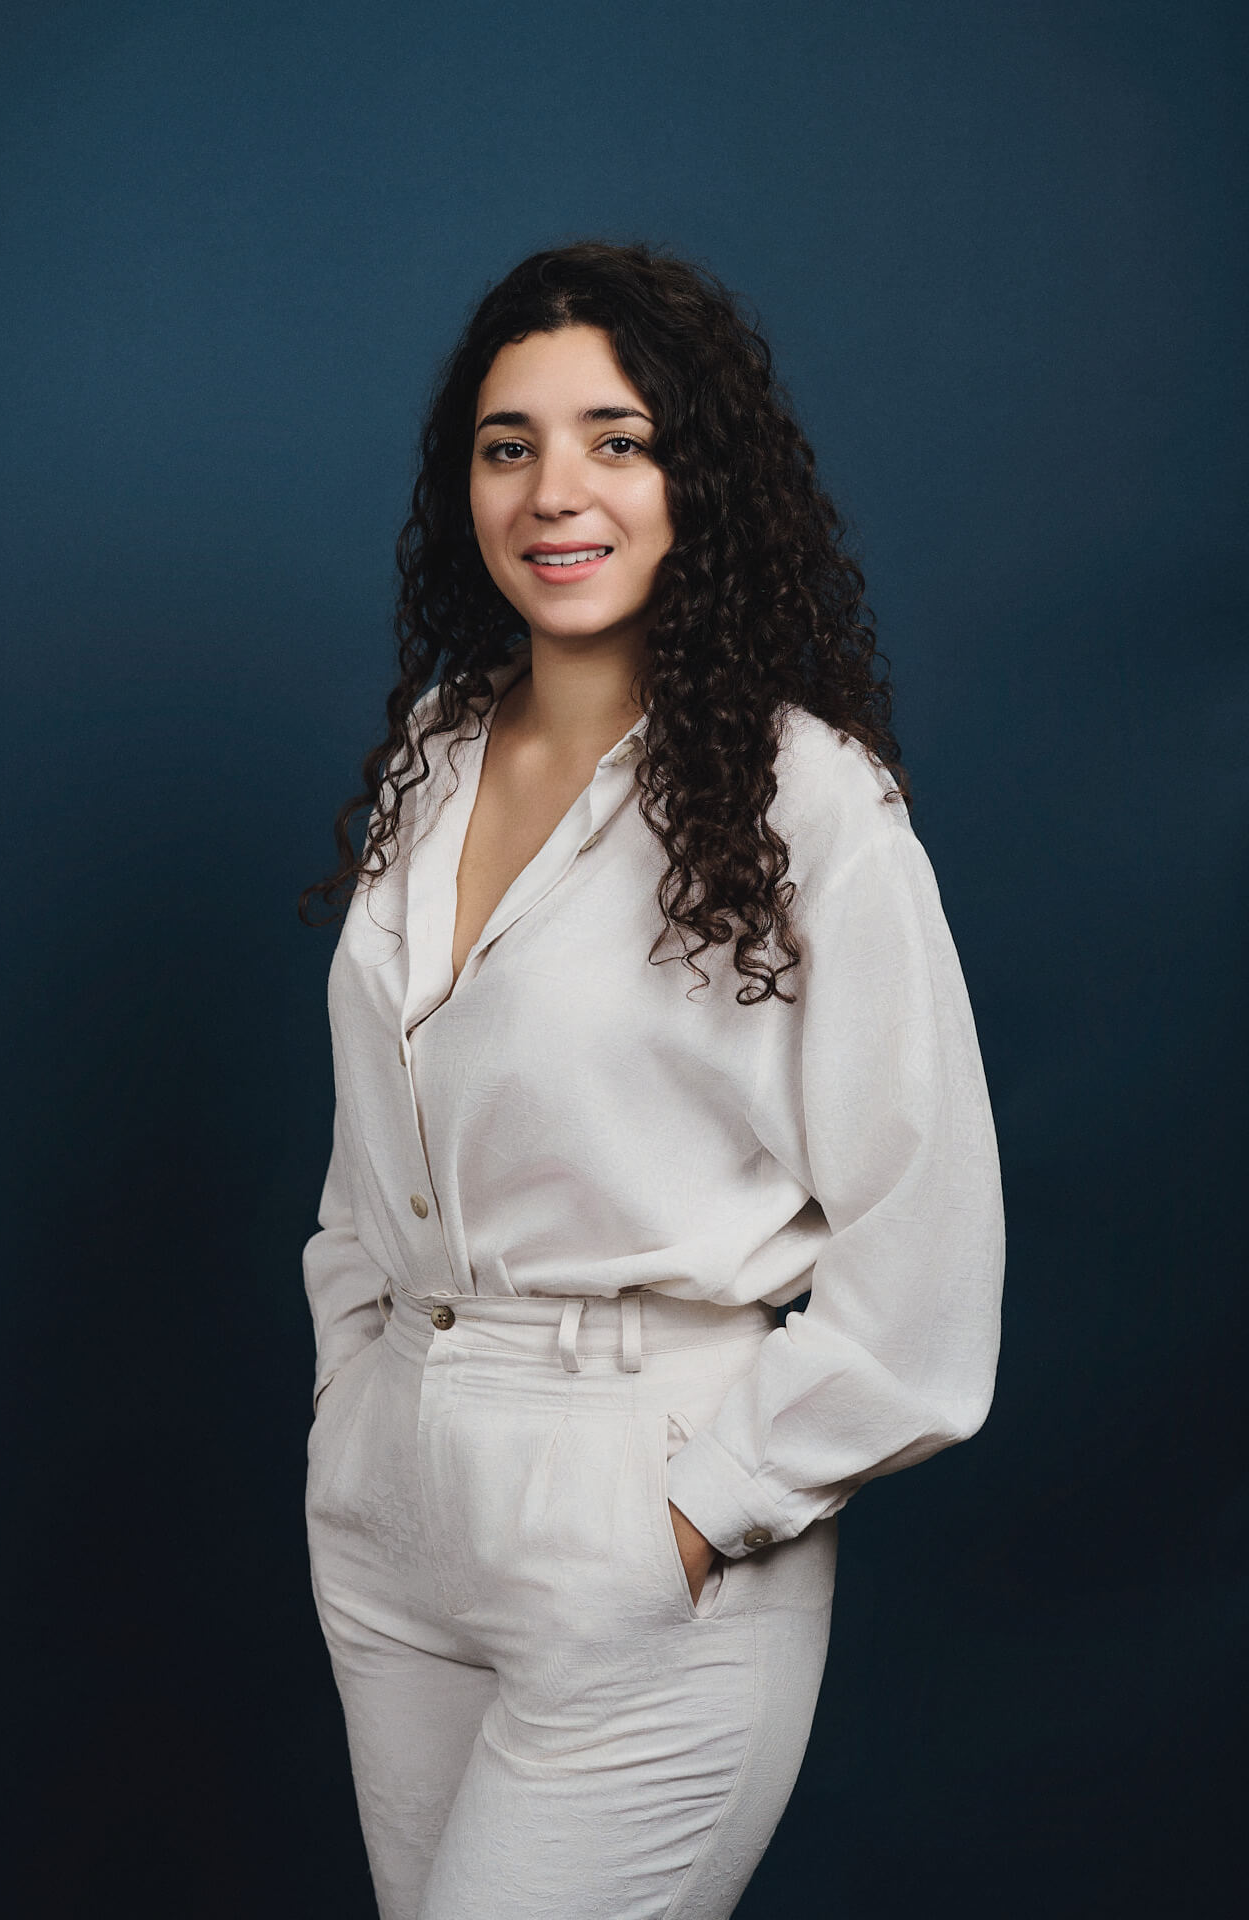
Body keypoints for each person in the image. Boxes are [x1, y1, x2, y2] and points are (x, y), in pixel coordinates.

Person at [296, 240, 1005, 1920]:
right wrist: (352, 1399)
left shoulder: (811, 805)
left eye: (618, 439)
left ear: (701, 477)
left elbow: (926, 1267)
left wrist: (694, 1513)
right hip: (392, 1509)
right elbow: (372, 1157)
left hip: (636, 1508)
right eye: (510, 444)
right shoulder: (434, 758)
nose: (558, 490)